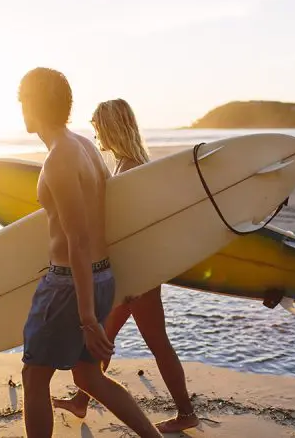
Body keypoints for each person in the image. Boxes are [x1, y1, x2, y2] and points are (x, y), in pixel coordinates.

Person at [17, 68, 162, 438]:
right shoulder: (84, 146)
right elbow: (109, 219)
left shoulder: (59, 159)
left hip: (68, 285)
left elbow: (77, 240)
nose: (20, 109)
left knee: (34, 377)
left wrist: (86, 318)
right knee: (88, 377)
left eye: (22, 101)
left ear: (33, 104)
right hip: (100, 276)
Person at [53, 98, 200, 434]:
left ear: (111, 128)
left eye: (98, 128)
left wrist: (134, 282)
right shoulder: (124, 164)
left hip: (138, 277)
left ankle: (187, 413)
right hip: (129, 275)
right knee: (103, 338)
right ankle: (81, 400)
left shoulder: (133, 168)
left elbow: (139, 229)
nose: (96, 136)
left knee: (157, 343)